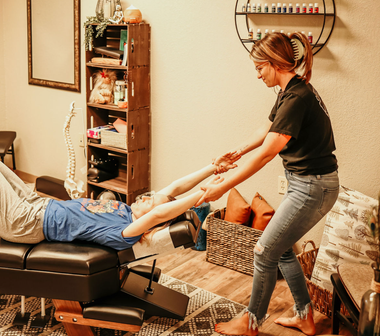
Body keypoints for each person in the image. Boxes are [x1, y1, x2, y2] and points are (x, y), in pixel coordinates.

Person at [196, 32, 339, 336]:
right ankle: (304, 315)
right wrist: (234, 153)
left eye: (260, 68)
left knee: (263, 251)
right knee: (281, 249)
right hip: (310, 185)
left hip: (313, 187)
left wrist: (222, 187)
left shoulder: (297, 97)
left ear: (274, 64)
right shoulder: (291, 92)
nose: (258, 74)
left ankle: (250, 323)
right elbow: (267, 128)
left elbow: (267, 154)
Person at [0, 153, 238, 251]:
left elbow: (158, 215)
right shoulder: (124, 209)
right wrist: (213, 168)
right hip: (36, 205)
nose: (145, 195)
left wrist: (202, 196)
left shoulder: (124, 232)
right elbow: (174, 187)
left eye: (150, 199)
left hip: (25, 222)